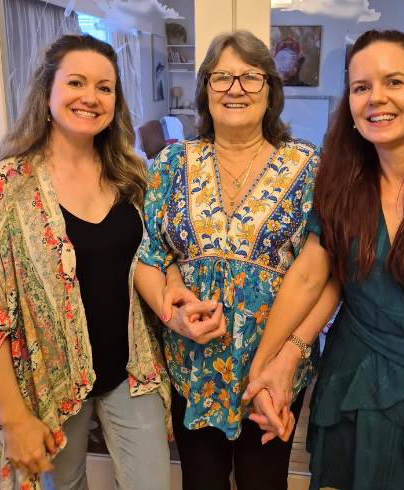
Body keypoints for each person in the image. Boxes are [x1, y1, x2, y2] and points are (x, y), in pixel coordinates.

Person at [243, 29, 404, 490]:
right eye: (361, 87)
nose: (377, 98)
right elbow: (310, 277)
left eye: (394, 82)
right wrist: (269, 368)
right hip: (351, 388)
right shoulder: (342, 187)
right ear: (351, 106)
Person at [134, 30, 337, 490]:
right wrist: (173, 312)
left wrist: (289, 358)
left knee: (265, 483)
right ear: (206, 89)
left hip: (274, 373)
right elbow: (150, 256)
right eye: (222, 77)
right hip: (193, 367)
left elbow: (328, 276)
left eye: (251, 76)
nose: (236, 88)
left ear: (271, 89)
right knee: (201, 483)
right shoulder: (170, 164)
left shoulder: (309, 168)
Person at [0, 34, 171, 490]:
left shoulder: (131, 172)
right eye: (76, 82)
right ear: (47, 92)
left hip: (130, 370)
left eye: (105, 87)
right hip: (48, 385)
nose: (90, 97)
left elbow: (156, 256)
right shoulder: (4, 188)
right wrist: (14, 419)